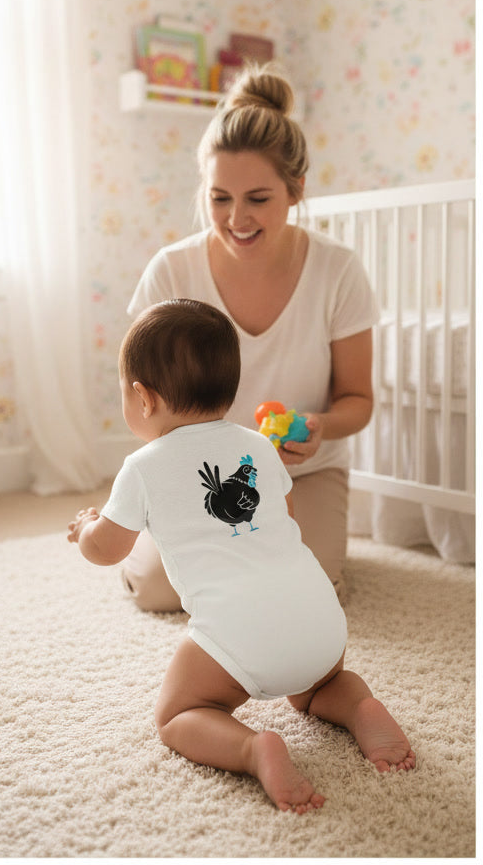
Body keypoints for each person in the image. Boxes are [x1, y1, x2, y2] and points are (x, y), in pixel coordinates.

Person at [68, 300, 414, 813]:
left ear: (142, 398)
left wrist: (85, 529)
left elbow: (107, 550)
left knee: (178, 713)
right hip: (321, 618)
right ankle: (360, 707)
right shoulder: (259, 446)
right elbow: (287, 518)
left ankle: (254, 749)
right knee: (319, 686)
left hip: (239, 633)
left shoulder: (141, 468)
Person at [123, 64, 377, 609]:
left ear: (296, 189)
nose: (236, 218)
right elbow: (141, 400)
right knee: (159, 591)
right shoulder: (170, 271)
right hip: (199, 475)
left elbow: (359, 400)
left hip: (301, 474)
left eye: (258, 199)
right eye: (219, 198)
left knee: (307, 593)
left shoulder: (338, 270)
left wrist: (319, 427)